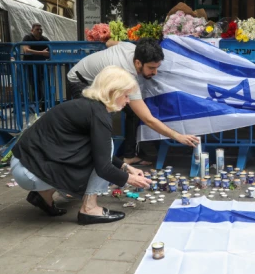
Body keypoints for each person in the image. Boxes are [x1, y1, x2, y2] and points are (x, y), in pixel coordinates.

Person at [11, 66, 152, 225]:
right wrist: (130, 179)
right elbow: (103, 166)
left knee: (101, 149)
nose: (128, 101)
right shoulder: (99, 115)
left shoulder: (88, 106)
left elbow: (98, 151)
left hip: (22, 164)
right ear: (114, 92)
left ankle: (43, 196)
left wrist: (126, 167)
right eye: (126, 95)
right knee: (108, 146)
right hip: (30, 172)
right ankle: (89, 209)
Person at [67, 38, 198, 166]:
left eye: (157, 67)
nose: (155, 72)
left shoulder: (131, 47)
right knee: (98, 118)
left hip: (100, 80)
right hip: (80, 81)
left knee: (133, 113)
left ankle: (128, 156)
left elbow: (109, 42)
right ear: (138, 63)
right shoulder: (126, 73)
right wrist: (178, 136)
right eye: (151, 68)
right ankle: (93, 163)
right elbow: (148, 119)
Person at [22, 23, 50, 111]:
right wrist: (42, 53)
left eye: (40, 29)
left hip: (41, 67)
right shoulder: (28, 37)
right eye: (37, 29)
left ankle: (40, 105)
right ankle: (36, 105)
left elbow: (51, 49)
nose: (39, 31)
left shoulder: (45, 39)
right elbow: (26, 50)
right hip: (30, 67)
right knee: (34, 86)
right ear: (32, 30)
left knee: (43, 86)